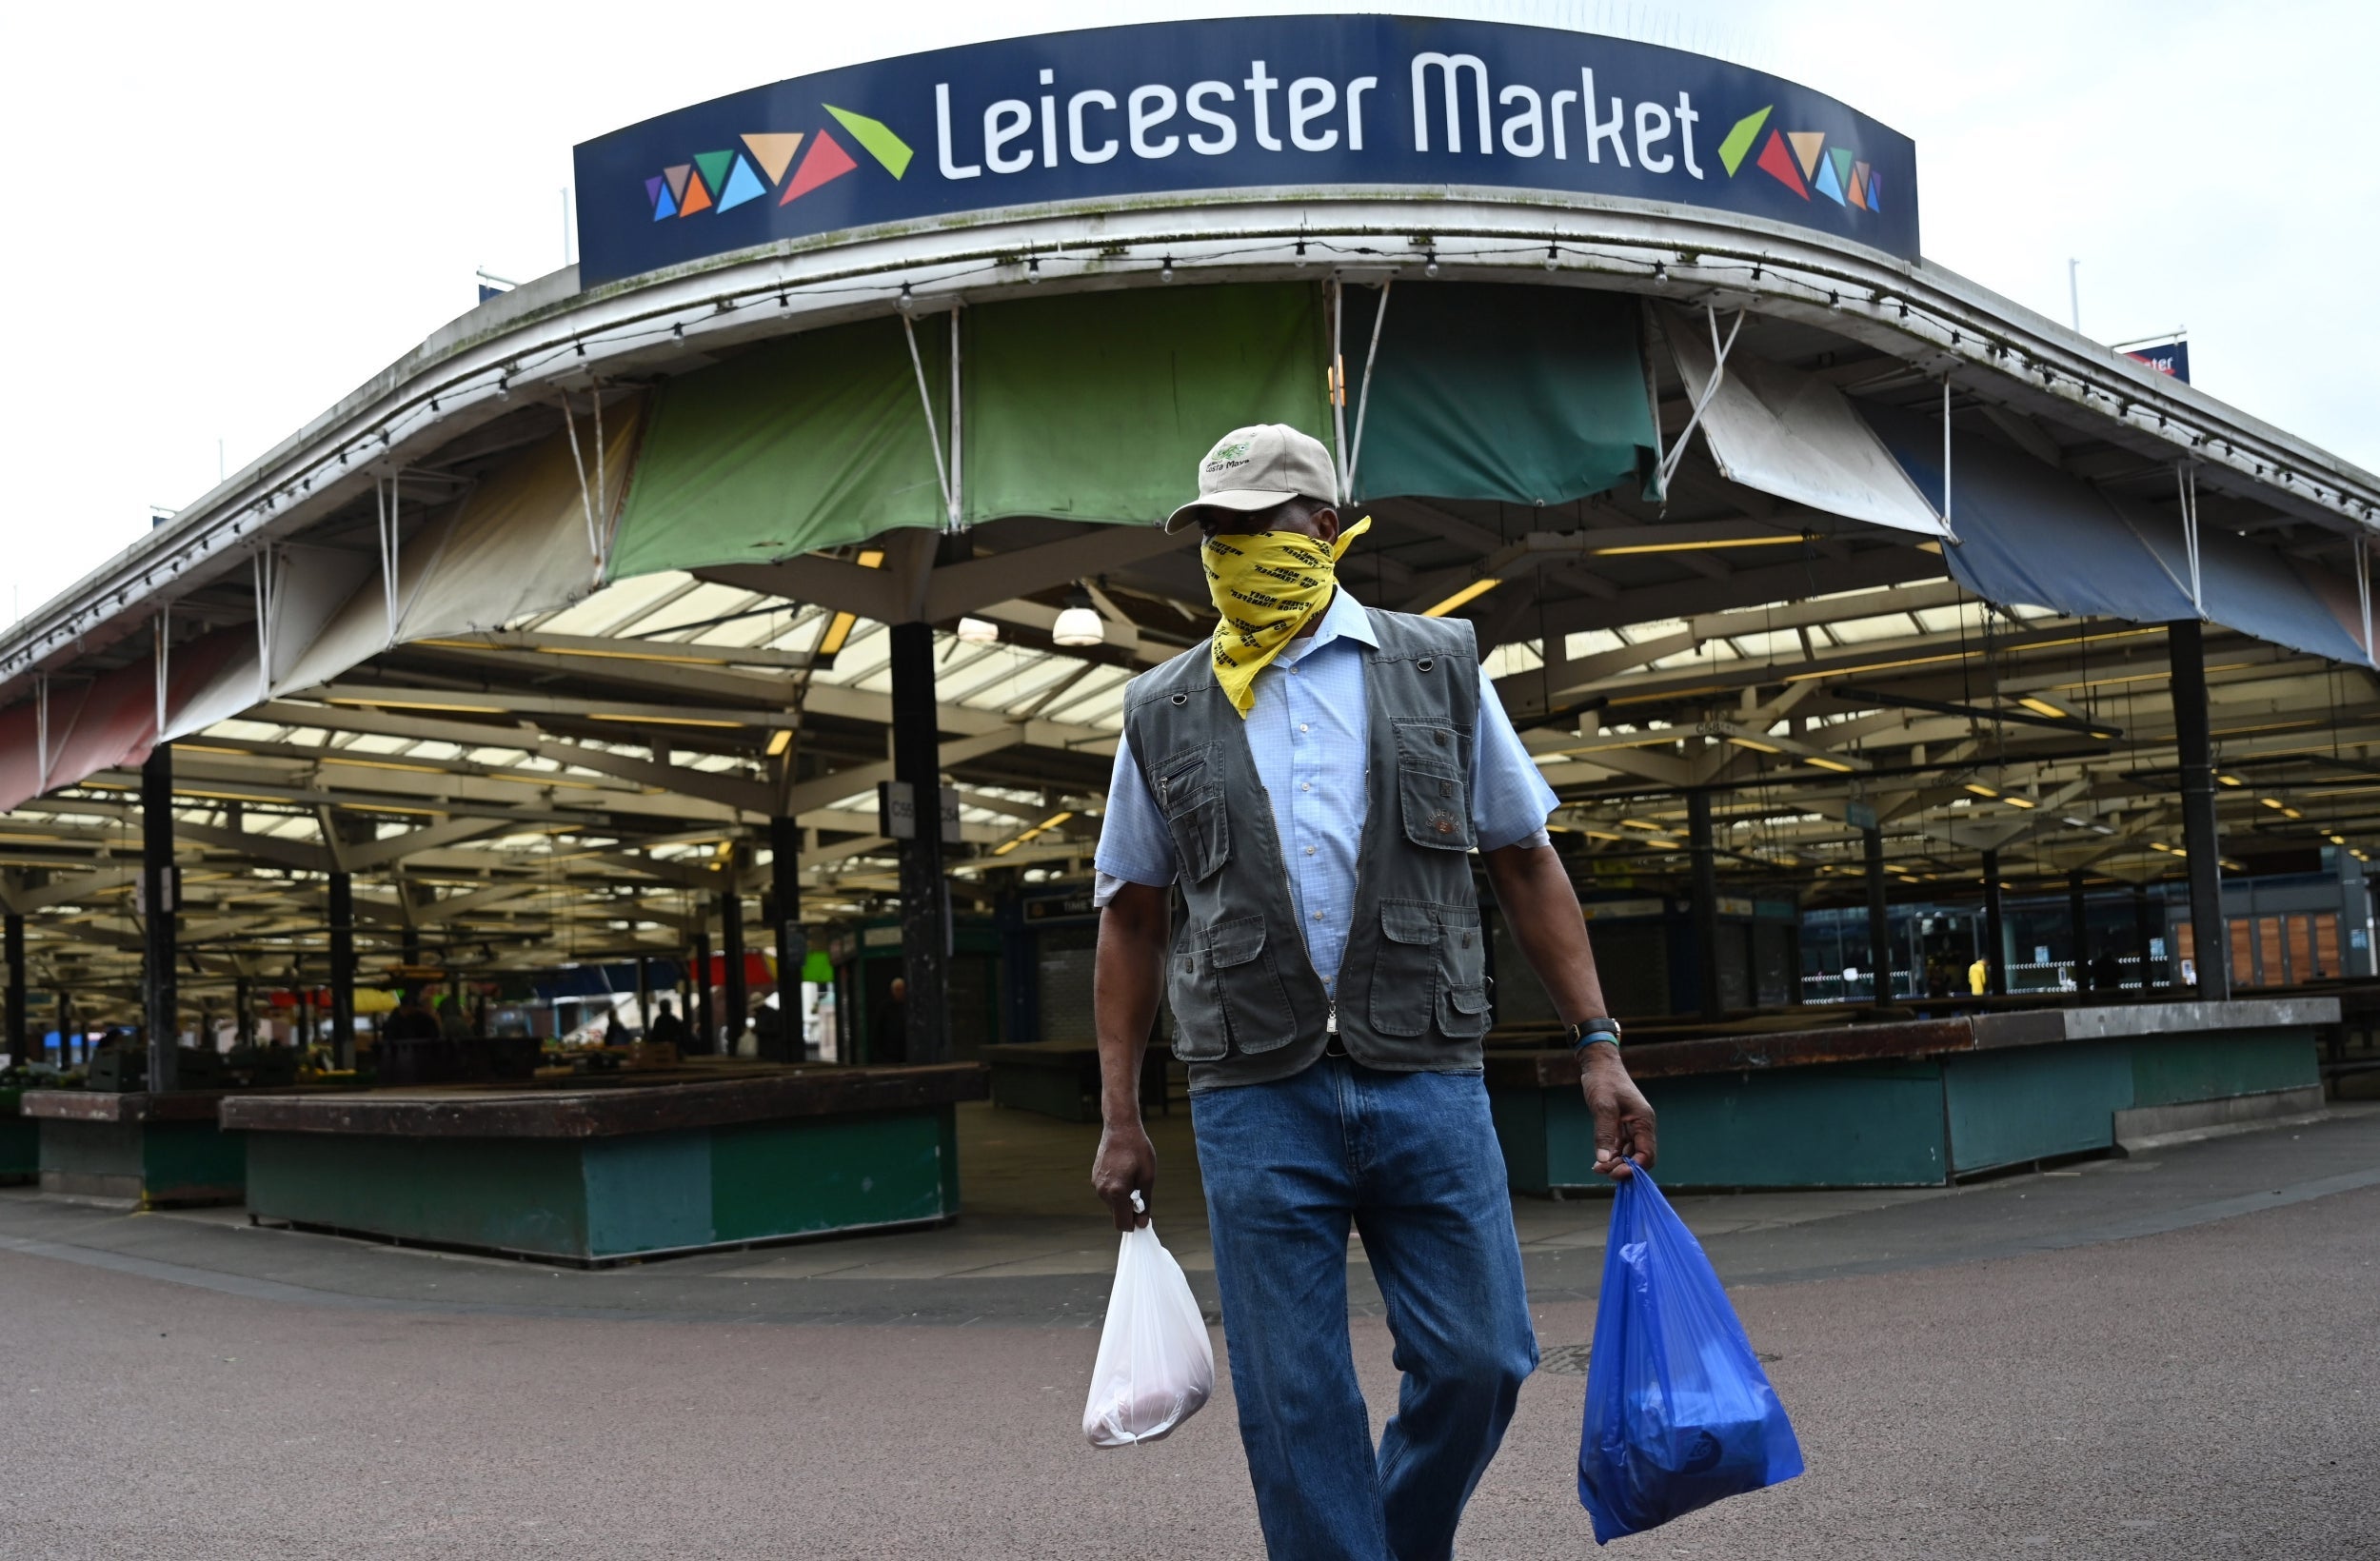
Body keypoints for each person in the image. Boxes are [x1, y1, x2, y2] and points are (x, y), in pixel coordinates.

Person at [1090, 424, 1656, 1561]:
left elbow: (1524, 857)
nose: (1240, 551)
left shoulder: (1434, 666)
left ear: (1330, 527)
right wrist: (1119, 1115)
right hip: (1253, 1090)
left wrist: (1598, 1041)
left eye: (1264, 525)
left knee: (1484, 1356)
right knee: (1295, 1404)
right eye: (1218, 532)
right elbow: (1132, 912)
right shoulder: (1161, 708)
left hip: (1427, 1072)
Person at [873, 976, 908, 1065]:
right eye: (897, 989)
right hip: (890, 1054)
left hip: (906, 1052)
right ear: (892, 991)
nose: (900, 992)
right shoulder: (885, 1007)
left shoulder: (909, 1006)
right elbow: (879, 1030)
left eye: (902, 989)